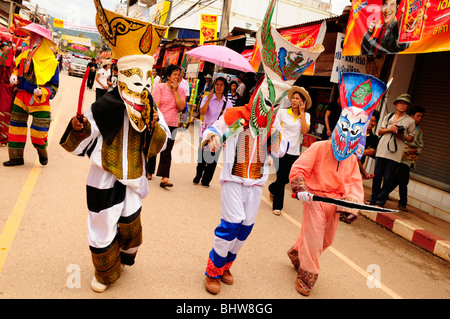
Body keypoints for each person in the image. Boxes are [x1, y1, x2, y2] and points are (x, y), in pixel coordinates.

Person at [202, 0, 324, 294]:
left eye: (276, 105)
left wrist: (277, 137)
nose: (270, 108)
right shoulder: (236, 116)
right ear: (257, 94)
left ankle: (227, 265)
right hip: (233, 180)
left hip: (256, 183)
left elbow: (280, 154)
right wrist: (213, 139)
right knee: (231, 225)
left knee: (245, 229)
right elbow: (215, 132)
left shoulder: (272, 124)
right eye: (267, 102)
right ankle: (212, 270)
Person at [60, 0, 170, 293]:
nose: (142, 85)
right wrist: (79, 127)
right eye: (135, 78)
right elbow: (81, 139)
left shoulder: (150, 109)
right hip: (104, 177)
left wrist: (155, 123)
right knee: (102, 226)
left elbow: (160, 141)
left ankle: (123, 257)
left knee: (131, 225)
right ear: (122, 77)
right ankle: (105, 271)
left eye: (147, 78)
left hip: (133, 177)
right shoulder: (105, 105)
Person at [288, 72, 387, 296]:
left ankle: (296, 251)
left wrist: (352, 205)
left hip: (335, 201)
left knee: (326, 239)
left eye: (355, 130)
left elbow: (353, 184)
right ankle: (307, 275)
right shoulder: (320, 147)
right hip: (313, 197)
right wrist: (301, 188)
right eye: (346, 127)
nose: (348, 134)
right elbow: (298, 169)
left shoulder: (351, 158)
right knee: (313, 237)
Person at [3, 23, 59, 167]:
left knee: (38, 135)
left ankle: (42, 150)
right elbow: (17, 68)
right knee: (15, 129)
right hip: (21, 97)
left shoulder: (52, 63)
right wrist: (14, 76)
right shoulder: (24, 56)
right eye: (32, 36)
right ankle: (16, 158)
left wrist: (43, 91)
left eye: (37, 37)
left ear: (43, 41)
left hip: (39, 102)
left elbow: (54, 87)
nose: (32, 40)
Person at [268, 86, 311, 216]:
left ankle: (271, 188)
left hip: (294, 152)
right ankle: (277, 206)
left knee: (287, 179)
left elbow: (304, 131)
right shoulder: (282, 113)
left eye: (297, 98)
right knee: (281, 178)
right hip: (281, 150)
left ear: (302, 102)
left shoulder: (306, 116)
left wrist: (302, 113)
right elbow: (273, 128)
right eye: (293, 97)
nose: (294, 100)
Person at [368, 94, 416, 207]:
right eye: (400, 102)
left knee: (388, 179)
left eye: (405, 103)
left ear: (408, 106)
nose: (402, 105)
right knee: (377, 176)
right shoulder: (388, 116)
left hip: (395, 154)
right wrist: (390, 129)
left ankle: (380, 201)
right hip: (382, 150)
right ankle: (372, 199)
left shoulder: (410, 121)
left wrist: (402, 135)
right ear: (396, 104)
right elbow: (379, 131)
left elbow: (411, 138)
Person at [146, 64, 186, 186]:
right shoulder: (159, 87)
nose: (177, 77)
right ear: (168, 76)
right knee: (154, 147)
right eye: (174, 74)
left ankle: (164, 177)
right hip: (159, 122)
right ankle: (149, 171)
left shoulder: (181, 90)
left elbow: (181, 107)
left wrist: (175, 91)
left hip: (172, 123)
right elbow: (156, 106)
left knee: (167, 151)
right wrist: (154, 121)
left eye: (179, 75)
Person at [194, 77, 232, 187]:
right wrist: (209, 99)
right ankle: (198, 175)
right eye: (217, 84)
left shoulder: (228, 102)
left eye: (221, 84)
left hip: (219, 133)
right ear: (214, 86)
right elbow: (202, 111)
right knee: (202, 157)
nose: (219, 86)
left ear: (225, 87)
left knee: (213, 159)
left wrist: (226, 137)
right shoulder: (207, 98)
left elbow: (229, 120)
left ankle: (206, 180)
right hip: (206, 131)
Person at [390, 106, 425, 211]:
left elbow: (420, 147)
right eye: (418, 116)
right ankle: (402, 203)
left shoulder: (419, 131)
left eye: (421, 117)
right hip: (399, 157)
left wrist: (416, 150)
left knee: (399, 179)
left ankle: (384, 194)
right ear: (411, 116)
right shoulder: (404, 126)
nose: (420, 118)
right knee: (402, 180)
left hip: (409, 159)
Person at [358, 111, 380, 180]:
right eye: (369, 120)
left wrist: (356, 151)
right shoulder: (356, 132)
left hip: (359, 165)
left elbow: (371, 152)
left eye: (373, 121)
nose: (370, 123)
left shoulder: (374, 138)